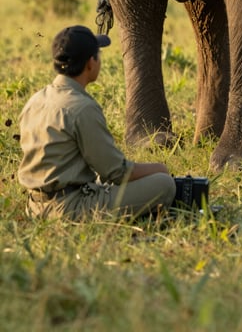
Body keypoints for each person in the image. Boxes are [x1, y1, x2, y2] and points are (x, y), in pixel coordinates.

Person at [18, 25, 177, 220]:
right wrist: (159, 168)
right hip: (70, 208)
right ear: (90, 63)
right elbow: (117, 172)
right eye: (98, 55)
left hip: (35, 206)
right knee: (164, 184)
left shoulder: (36, 100)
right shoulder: (82, 107)